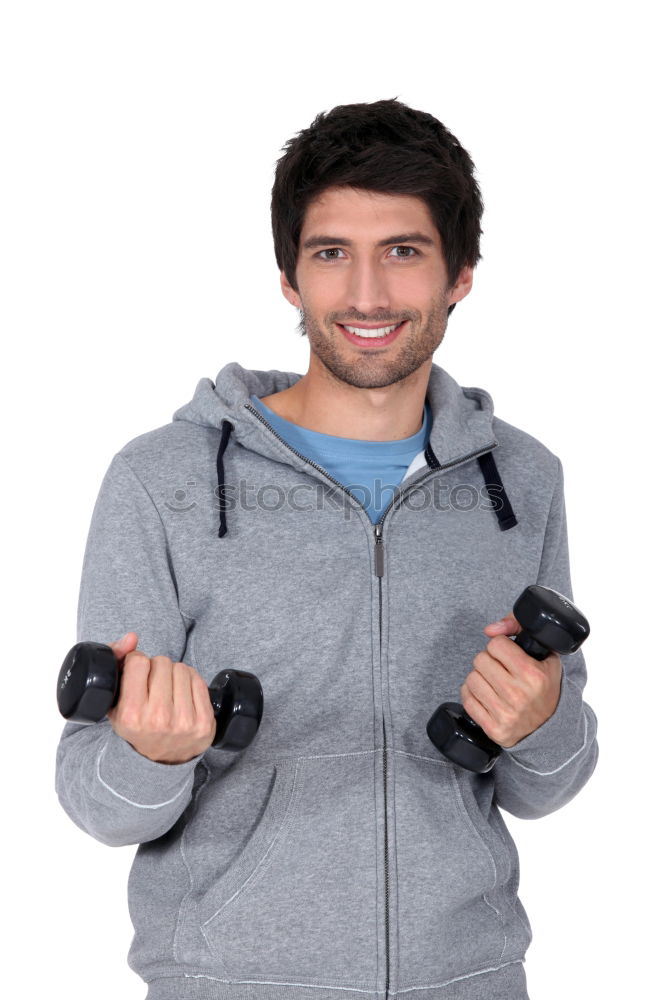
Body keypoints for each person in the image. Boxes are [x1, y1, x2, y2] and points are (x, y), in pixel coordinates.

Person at [55, 97, 599, 1000]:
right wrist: (151, 754)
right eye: (331, 253)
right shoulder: (164, 480)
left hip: (469, 980)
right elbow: (94, 799)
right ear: (289, 277)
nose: (368, 296)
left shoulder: (522, 480)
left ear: (460, 273)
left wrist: (537, 726)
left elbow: (547, 786)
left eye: (404, 252)